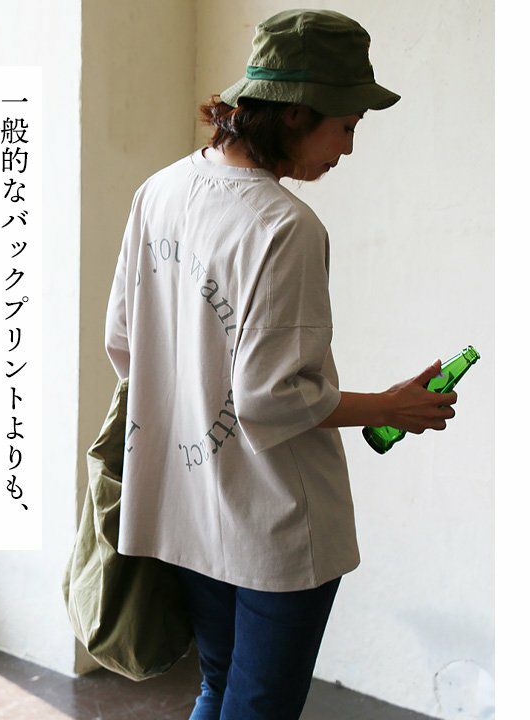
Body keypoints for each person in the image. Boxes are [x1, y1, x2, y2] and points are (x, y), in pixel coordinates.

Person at [104, 9, 458, 720]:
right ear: (297, 113)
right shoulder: (284, 225)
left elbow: (123, 342)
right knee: (260, 706)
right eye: (347, 125)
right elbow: (270, 399)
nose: (348, 148)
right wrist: (390, 407)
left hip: (184, 500)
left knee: (218, 685)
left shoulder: (161, 190)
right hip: (273, 521)